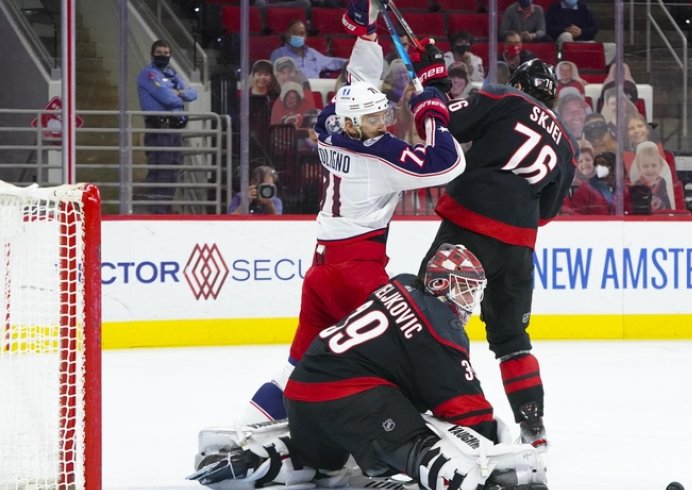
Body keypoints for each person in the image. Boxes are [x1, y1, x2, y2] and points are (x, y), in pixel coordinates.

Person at [236, 0, 466, 426]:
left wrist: (367, 35)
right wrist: (432, 106)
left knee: (298, 362)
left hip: (322, 271)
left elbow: (357, 82)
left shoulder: (330, 128)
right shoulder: (378, 157)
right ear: (360, 125)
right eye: (377, 118)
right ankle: (418, 432)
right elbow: (448, 164)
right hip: (357, 272)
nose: (384, 121)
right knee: (409, 350)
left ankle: (248, 427)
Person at [188, 245, 548, 490]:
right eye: (466, 290)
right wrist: (498, 452)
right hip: (351, 400)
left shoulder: (403, 283)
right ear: (440, 286)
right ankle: (466, 481)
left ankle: (263, 457)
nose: (471, 302)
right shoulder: (441, 329)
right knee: (420, 438)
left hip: (302, 392)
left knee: (327, 466)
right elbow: (465, 410)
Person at [412, 47, 576, 448]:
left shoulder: (505, 98)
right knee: (512, 341)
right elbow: (547, 212)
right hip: (519, 246)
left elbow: (446, 123)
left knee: (427, 317)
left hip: (470, 225)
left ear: (519, 85)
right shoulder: (567, 147)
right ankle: (533, 427)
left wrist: (432, 86)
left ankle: (435, 406)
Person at [137, 39, 198, 214]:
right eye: (159, 53)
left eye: (166, 53)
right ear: (152, 54)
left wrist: (178, 92)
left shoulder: (171, 73)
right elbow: (167, 98)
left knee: (172, 170)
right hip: (159, 128)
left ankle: (165, 207)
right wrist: (179, 94)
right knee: (160, 170)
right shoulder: (148, 74)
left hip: (174, 128)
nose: (163, 56)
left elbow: (193, 94)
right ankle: (157, 210)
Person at [269, 20, 346, 80]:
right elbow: (273, 77)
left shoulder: (312, 53)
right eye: (295, 32)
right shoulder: (278, 53)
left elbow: (332, 62)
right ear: (287, 34)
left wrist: (350, 62)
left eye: (301, 33)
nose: (298, 36)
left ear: (305, 36)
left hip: (314, 91)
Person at [630, 141, 675, 211]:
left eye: (654, 165)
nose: (650, 170)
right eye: (645, 166)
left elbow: (667, 203)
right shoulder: (637, 184)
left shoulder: (662, 182)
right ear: (639, 168)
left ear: (660, 167)